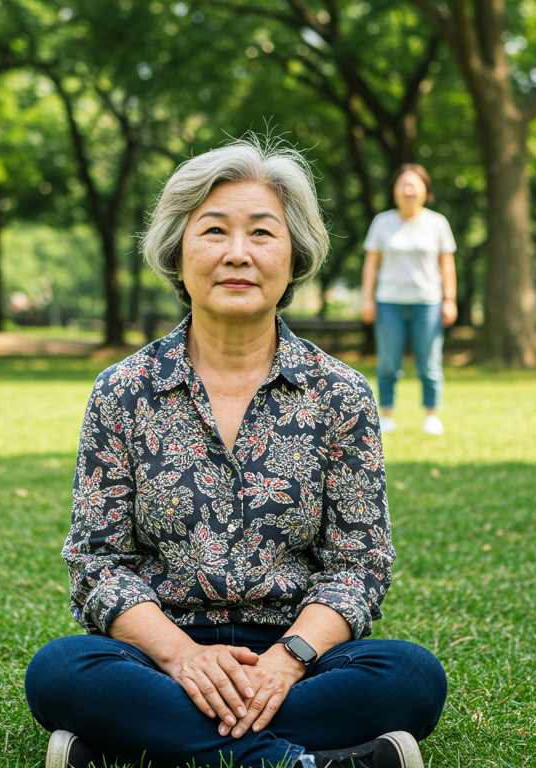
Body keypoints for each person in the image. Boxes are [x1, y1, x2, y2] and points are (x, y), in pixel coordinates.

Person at [24, 138, 446, 768]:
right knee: (61, 670)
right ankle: (293, 762)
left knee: (412, 676)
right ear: (178, 250)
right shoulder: (123, 390)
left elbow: (360, 566)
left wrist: (286, 660)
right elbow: (98, 563)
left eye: (262, 234)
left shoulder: (341, 395)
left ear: (295, 254)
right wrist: (184, 657)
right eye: (214, 231)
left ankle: (138, 747)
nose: (238, 254)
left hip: (299, 654)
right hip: (159, 654)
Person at [359, 164, 457, 436]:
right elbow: (371, 264)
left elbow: (447, 265)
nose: (409, 190)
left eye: (415, 184)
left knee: (429, 363)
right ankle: (387, 413)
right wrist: (367, 299)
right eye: (404, 184)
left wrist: (449, 299)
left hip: (428, 302)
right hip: (388, 302)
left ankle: (431, 414)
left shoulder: (437, 223)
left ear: (426, 190)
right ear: (394, 191)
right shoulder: (382, 222)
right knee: (388, 363)